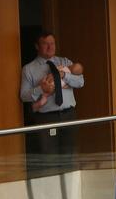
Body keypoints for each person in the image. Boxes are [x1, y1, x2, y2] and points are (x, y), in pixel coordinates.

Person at [20, 31, 84, 175]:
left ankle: (69, 192)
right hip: (46, 118)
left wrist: (64, 75)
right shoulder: (28, 69)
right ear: (37, 46)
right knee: (49, 159)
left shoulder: (65, 62)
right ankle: (52, 193)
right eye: (45, 44)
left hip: (68, 115)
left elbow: (80, 82)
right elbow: (23, 96)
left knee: (69, 156)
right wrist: (39, 89)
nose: (50, 47)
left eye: (52, 43)